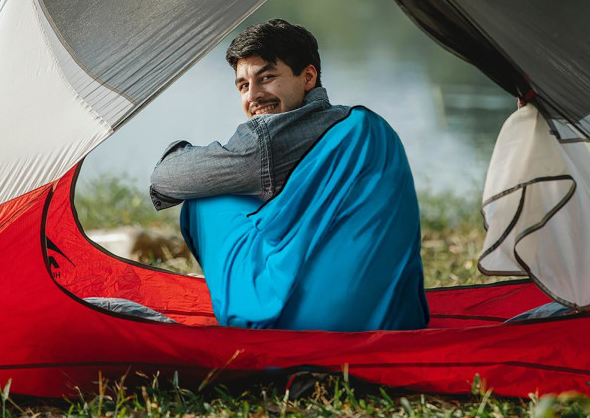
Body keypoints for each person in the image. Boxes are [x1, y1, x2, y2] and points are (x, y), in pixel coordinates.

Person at [150, 19, 429, 331]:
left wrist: (189, 154)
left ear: (308, 77)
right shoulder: (365, 124)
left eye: (266, 77)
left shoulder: (271, 137)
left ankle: (253, 311)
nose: (253, 95)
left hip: (312, 327)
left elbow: (165, 179)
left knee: (206, 198)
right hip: (399, 320)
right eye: (243, 85)